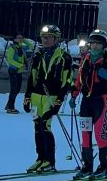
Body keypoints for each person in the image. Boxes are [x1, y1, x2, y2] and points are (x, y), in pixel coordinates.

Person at [23, 23, 75, 173]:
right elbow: (32, 77)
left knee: (45, 125)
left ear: (56, 39)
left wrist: (59, 101)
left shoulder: (64, 57)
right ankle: (40, 158)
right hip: (36, 96)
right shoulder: (38, 55)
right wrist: (27, 96)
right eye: (43, 37)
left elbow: (66, 81)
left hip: (50, 96)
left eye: (49, 37)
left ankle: (50, 161)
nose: (45, 40)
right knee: (37, 126)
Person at [71, 30, 107, 180]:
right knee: (85, 135)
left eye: (98, 44)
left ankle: (103, 167)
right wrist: (74, 95)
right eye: (92, 43)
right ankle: (87, 166)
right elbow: (79, 80)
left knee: (100, 135)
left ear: (103, 46)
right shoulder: (85, 59)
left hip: (101, 101)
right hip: (86, 101)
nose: (94, 46)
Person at [4, 32, 27, 114]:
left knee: (17, 89)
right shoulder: (12, 48)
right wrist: (20, 65)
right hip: (13, 70)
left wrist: (25, 40)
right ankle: (11, 107)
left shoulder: (21, 47)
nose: (20, 39)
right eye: (19, 38)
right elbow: (10, 60)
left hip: (18, 71)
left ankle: (8, 105)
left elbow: (31, 46)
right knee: (14, 89)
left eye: (21, 38)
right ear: (15, 39)